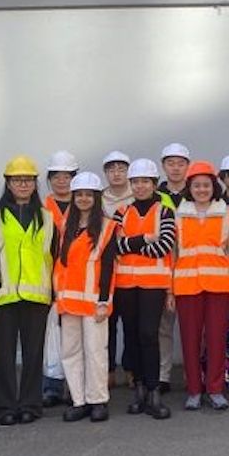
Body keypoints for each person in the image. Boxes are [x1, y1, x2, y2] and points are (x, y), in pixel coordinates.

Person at [0, 156, 55, 429]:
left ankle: (30, 404)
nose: (23, 184)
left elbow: (54, 255)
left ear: (35, 183)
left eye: (28, 180)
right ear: (8, 183)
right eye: (18, 180)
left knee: (33, 354)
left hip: (37, 295)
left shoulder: (47, 218)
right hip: (3, 296)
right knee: (3, 355)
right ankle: (4, 406)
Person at [171, 160, 229, 411]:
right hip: (187, 286)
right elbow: (172, 255)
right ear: (189, 187)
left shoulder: (228, 212)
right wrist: (170, 289)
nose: (202, 189)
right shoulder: (177, 214)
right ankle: (193, 390)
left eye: (206, 185)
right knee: (189, 340)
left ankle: (215, 389)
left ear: (214, 186)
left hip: (219, 285)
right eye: (197, 185)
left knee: (216, 340)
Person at [53, 172, 117, 422]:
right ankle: (79, 400)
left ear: (96, 198)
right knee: (71, 352)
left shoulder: (107, 227)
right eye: (78, 195)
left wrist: (104, 301)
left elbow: (109, 268)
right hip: (68, 302)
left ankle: (97, 400)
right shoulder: (65, 227)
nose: (83, 199)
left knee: (95, 352)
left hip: (94, 304)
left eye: (88, 195)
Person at [114, 158, 175, 419]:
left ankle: (154, 392)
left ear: (153, 184)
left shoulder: (165, 212)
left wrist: (130, 245)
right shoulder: (121, 212)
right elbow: (113, 247)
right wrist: (143, 240)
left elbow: (165, 246)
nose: (139, 186)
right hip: (126, 284)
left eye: (145, 182)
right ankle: (138, 390)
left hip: (154, 285)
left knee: (149, 335)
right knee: (131, 336)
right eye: (135, 182)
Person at [40, 150, 78, 407]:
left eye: (67, 176)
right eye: (57, 176)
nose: (62, 181)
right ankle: (51, 386)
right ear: (50, 179)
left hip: (78, 281)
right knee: (50, 336)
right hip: (48, 279)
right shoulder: (42, 207)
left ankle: (74, 386)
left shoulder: (84, 204)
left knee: (75, 338)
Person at [157, 142, 190, 395]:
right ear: (163, 166)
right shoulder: (155, 197)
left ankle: (194, 375)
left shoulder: (200, 191)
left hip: (193, 270)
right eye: (171, 163)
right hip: (164, 270)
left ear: (187, 166)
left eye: (180, 163)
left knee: (194, 329)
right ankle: (162, 375)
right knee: (163, 328)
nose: (176, 168)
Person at [101, 150, 133, 388]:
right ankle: (108, 370)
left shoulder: (138, 196)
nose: (117, 173)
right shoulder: (99, 199)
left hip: (131, 271)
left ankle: (131, 368)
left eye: (121, 169)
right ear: (106, 173)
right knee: (107, 325)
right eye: (112, 169)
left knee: (131, 324)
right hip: (105, 271)